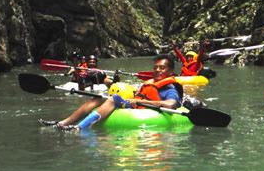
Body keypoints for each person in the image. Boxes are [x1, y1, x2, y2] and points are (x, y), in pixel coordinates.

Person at [39, 54, 182, 131]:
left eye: (161, 68)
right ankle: (63, 123)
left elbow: (171, 104)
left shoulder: (169, 88)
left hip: (143, 108)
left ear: (170, 71)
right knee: (99, 98)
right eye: (155, 67)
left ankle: (78, 128)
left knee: (113, 99)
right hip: (136, 105)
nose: (157, 70)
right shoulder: (151, 82)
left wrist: (139, 101)